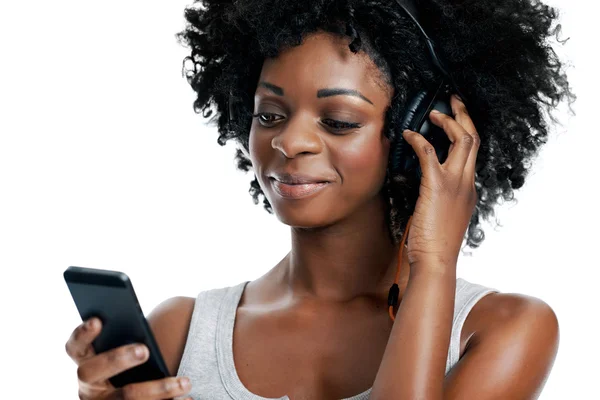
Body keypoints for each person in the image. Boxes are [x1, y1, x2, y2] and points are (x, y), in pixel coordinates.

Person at [64, 0, 575, 399]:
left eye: (338, 121)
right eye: (269, 115)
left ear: (419, 136)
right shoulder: (179, 333)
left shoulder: (503, 330)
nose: (290, 142)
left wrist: (434, 264)